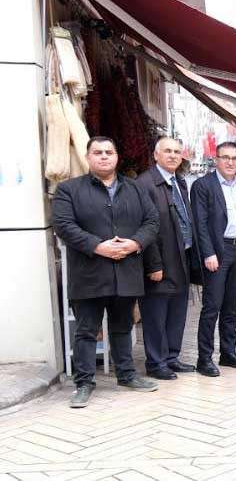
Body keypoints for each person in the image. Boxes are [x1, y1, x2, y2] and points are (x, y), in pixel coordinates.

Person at [53, 136, 160, 407]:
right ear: (87, 157)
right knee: (86, 330)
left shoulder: (136, 189)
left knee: (123, 327)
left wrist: (134, 243)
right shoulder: (69, 190)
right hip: (89, 273)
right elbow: (63, 225)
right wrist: (97, 246)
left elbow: (151, 221)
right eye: (98, 152)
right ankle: (84, 383)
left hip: (126, 270)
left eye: (108, 152)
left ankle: (126, 375)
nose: (103, 156)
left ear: (116, 157)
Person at [137, 137, 198, 380]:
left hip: (182, 256)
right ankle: (156, 362)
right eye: (168, 151)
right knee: (156, 313)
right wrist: (153, 264)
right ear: (156, 155)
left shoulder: (179, 181)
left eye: (177, 152)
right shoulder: (145, 184)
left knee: (177, 311)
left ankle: (172, 357)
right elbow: (144, 228)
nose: (173, 155)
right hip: (160, 261)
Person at [191, 141, 236, 376]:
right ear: (216, 160)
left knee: (232, 306)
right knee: (212, 307)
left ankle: (228, 353)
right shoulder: (203, 185)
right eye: (225, 157)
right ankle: (204, 358)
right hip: (217, 251)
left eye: (235, 158)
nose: (230, 162)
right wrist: (208, 253)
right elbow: (200, 224)